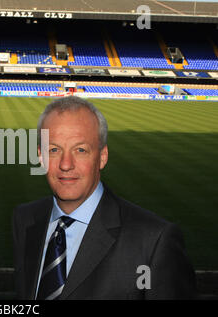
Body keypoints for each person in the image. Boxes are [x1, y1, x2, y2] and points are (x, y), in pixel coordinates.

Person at [12, 96, 196, 300]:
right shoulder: (25, 218)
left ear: (102, 157)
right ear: (40, 156)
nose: (65, 164)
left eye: (80, 150)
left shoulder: (154, 241)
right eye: (54, 150)